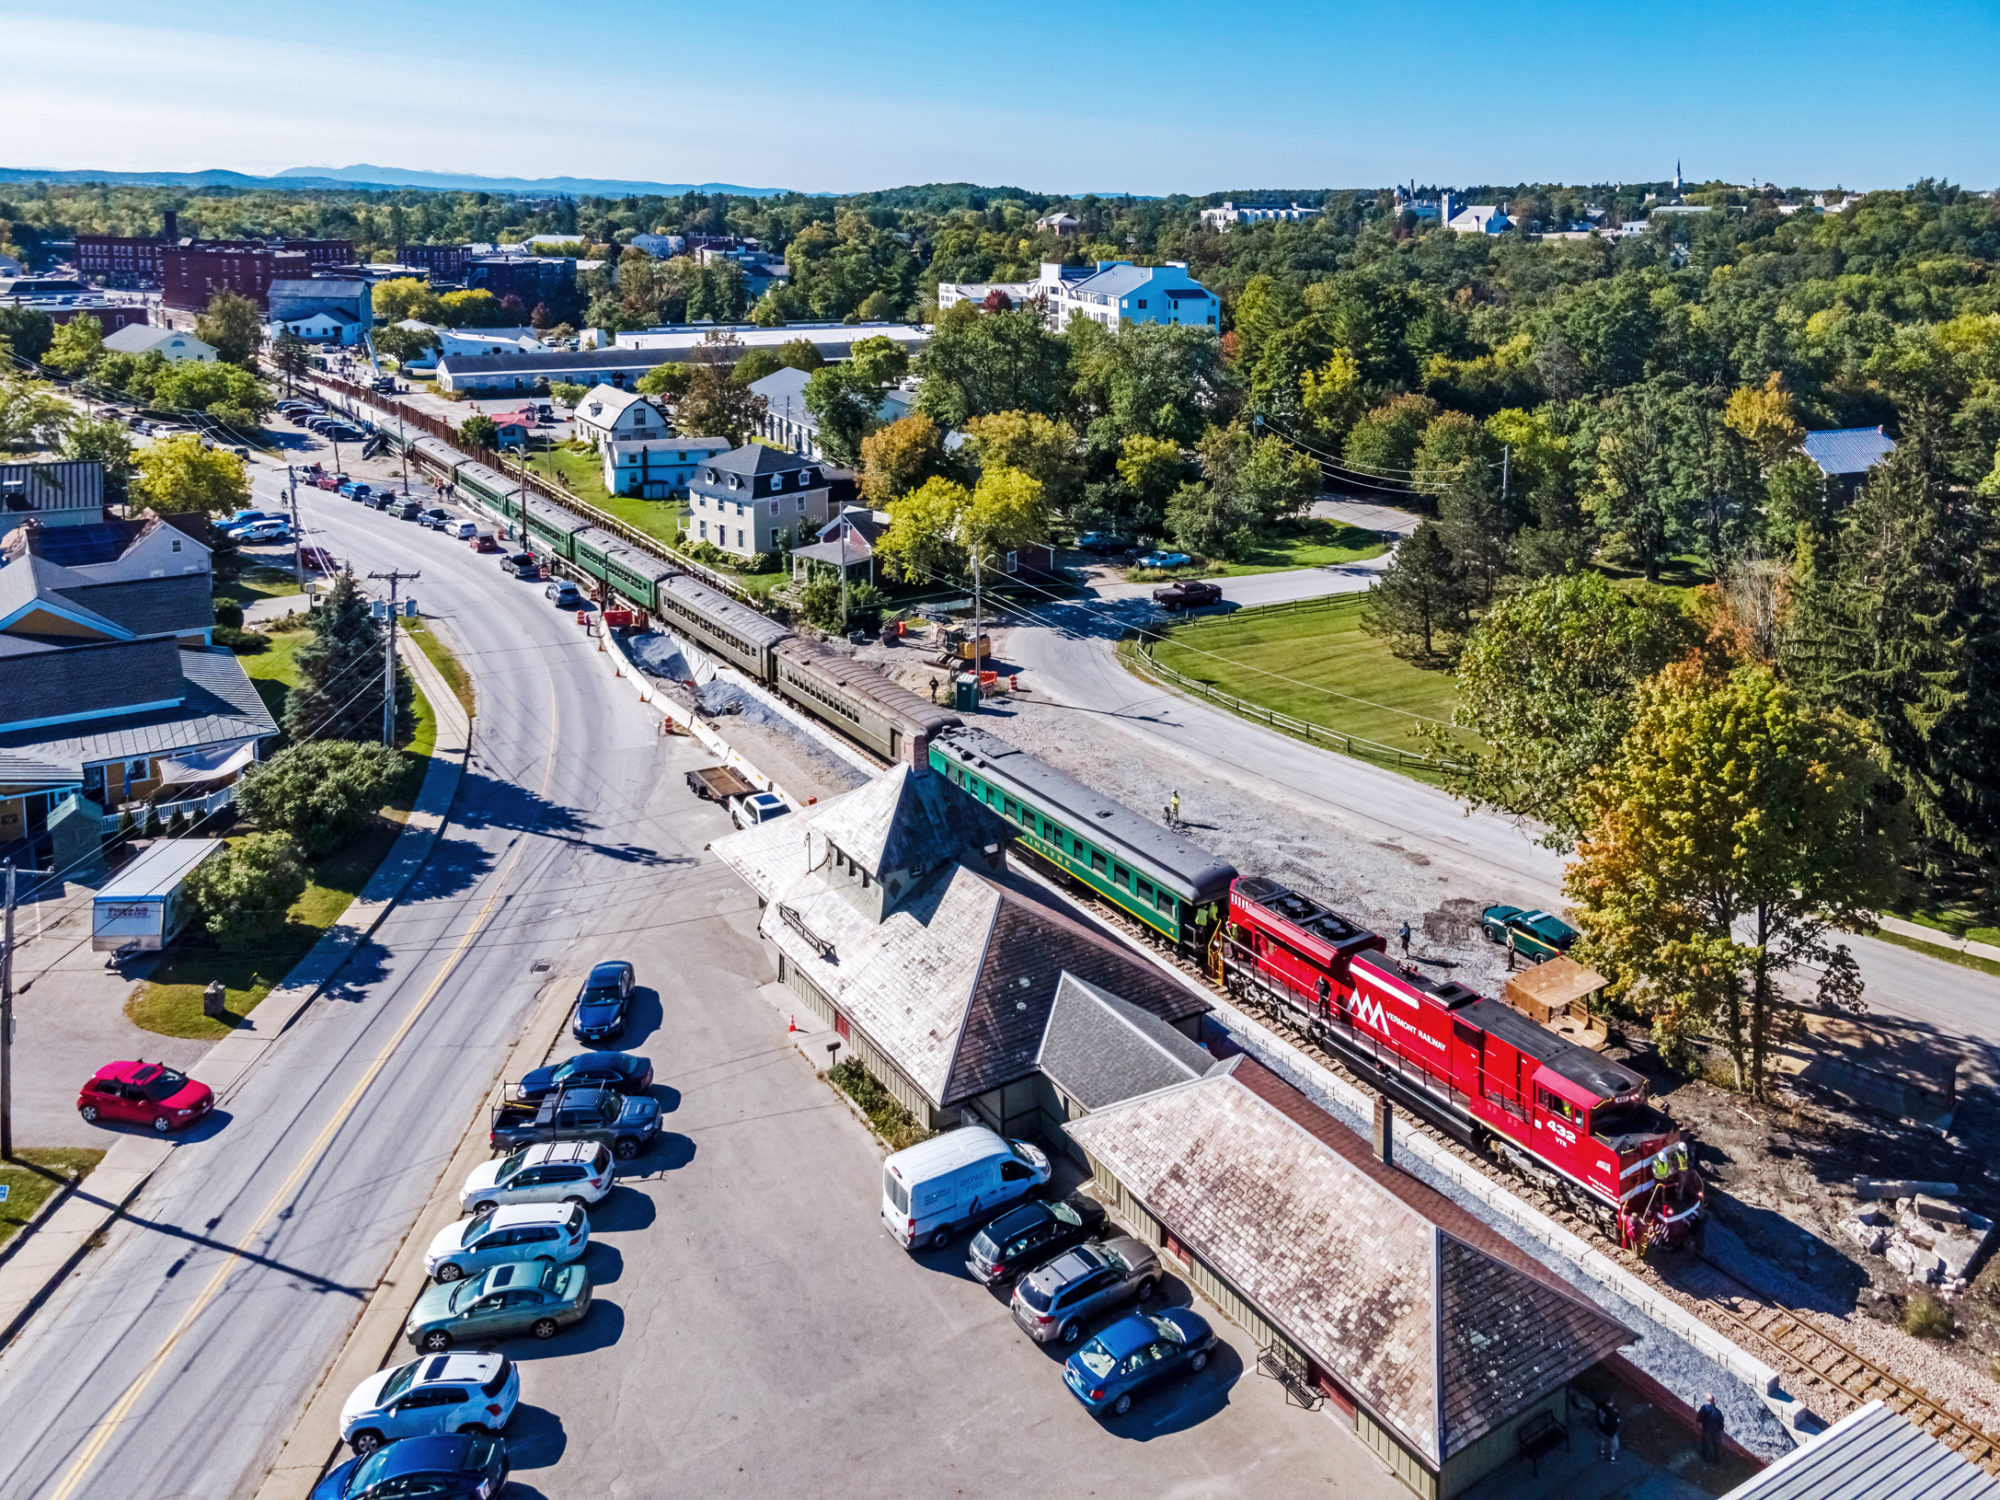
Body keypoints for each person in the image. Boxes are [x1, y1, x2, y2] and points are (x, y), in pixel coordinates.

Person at [1697, 1395, 1724, 1462]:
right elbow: (1721, 1424)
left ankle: (1707, 1459)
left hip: (1707, 1429)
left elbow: (1699, 1416)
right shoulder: (1718, 1412)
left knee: (1706, 1444)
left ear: (1708, 1401)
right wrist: (1720, 1432)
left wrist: (1699, 1422)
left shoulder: (1705, 1408)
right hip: (1716, 1432)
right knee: (1715, 1446)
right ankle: (1716, 1460)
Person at [1596, 1396, 1620, 1463]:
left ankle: (1601, 1451)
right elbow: (1616, 1423)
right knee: (1614, 1446)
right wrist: (1617, 1414)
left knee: (1601, 1440)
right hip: (1610, 1432)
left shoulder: (1600, 1405)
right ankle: (1612, 1458)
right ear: (1611, 1403)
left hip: (1601, 1427)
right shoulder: (1611, 1413)